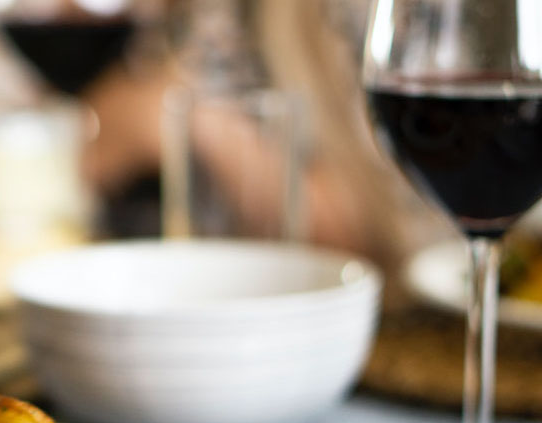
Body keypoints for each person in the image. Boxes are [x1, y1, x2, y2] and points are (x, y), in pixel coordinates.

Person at [81, 0, 448, 272]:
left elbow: (396, 240)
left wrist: (205, 130)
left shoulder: (356, 16)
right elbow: (90, 150)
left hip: (304, 326)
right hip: (166, 297)